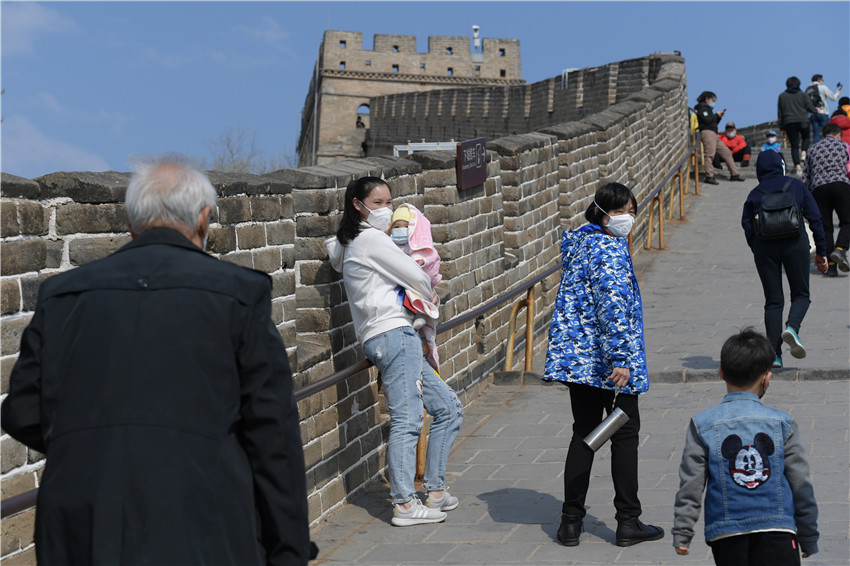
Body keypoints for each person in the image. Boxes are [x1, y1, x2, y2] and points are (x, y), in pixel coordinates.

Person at [0, 156, 312, 565]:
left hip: (80, 520)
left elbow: (23, 411)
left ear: (130, 222)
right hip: (203, 516)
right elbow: (273, 435)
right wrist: (288, 550)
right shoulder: (237, 292)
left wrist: (93, 442)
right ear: (204, 219)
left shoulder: (62, 294)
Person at [324, 176, 463, 527]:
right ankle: (403, 503)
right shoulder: (369, 238)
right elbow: (416, 274)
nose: (386, 210)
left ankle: (433, 489)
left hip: (395, 337)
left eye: (389, 202)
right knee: (408, 419)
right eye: (378, 203)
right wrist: (428, 291)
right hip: (393, 334)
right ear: (357, 204)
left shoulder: (353, 242)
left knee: (448, 407)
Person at [542, 183, 664, 548]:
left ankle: (570, 522)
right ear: (603, 211)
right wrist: (623, 360)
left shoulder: (580, 245)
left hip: (579, 361)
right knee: (624, 436)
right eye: (623, 210)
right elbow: (612, 309)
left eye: (632, 211)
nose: (629, 218)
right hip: (608, 363)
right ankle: (629, 521)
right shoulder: (608, 249)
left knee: (585, 433)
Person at [672, 328, 819, 564]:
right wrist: (809, 534)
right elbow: (801, 483)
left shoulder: (703, 425)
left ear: (720, 372)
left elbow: (691, 484)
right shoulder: (783, 423)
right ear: (766, 378)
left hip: (727, 535)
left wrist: (682, 533)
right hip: (778, 531)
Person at [742, 150, 827, 368]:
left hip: (765, 248)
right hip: (794, 244)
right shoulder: (796, 186)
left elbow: (747, 225)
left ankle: (774, 355)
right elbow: (815, 218)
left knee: (773, 301)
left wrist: (757, 249)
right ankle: (792, 328)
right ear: (781, 165)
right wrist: (822, 252)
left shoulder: (754, 193)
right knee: (801, 293)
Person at [389, 204, 441, 371]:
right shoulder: (387, 247)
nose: (400, 230)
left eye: (406, 227)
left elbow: (430, 269)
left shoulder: (420, 249)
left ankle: (421, 315)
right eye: (396, 227)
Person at [803, 123, 850, 276]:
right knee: (847, 221)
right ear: (838, 135)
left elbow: (806, 176)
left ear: (823, 135)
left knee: (825, 227)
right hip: (841, 185)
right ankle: (841, 249)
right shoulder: (844, 146)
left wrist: (806, 200)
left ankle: (830, 266)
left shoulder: (812, 149)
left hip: (819, 188)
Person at [694, 91, 745, 184]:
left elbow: (713, 122)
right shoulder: (702, 109)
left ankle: (734, 174)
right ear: (707, 99)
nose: (713, 102)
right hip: (707, 133)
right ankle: (709, 176)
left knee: (727, 152)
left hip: (714, 133)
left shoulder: (708, 109)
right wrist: (716, 115)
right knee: (709, 155)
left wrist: (719, 117)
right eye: (712, 100)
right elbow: (707, 120)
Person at [778, 76, 819, 175]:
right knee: (806, 137)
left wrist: (782, 128)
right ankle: (804, 152)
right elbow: (810, 107)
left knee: (794, 145)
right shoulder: (803, 94)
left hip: (789, 122)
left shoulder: (782, 96)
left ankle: (798, 167)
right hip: (803, 120)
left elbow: (780, 113)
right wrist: (815, 110)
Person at [807, 74, 841, 143]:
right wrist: (837, 93)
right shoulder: (823, 87)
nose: (822, 81)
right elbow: (833, 98)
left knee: (816, 133)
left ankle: (816, 149)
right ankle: (827, 146)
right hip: (823, 112)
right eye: (822, 80)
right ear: (819, 80)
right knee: (827, 132)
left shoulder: (808, 89)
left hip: (812, 114)